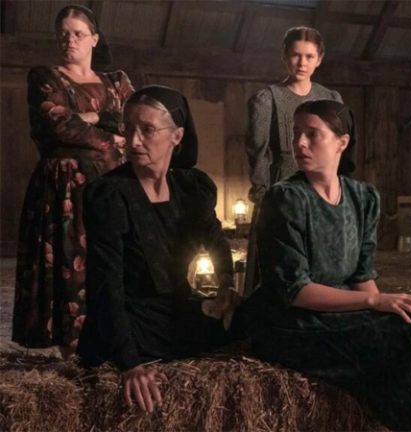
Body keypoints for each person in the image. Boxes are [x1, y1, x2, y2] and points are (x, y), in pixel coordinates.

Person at [239, 100, 411, 432]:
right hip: (291, 320)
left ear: (342, 142)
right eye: (296, 133)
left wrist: (387, 307)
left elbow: (362, 274)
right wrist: (375, 302)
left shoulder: (363, 198)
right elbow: (294, 290)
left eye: (312, 134)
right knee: (409, 333)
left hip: (339, 310)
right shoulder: (285, 198)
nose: (299, 143)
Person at [77, 86, 239, 413]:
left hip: (175, 312)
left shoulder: (192, 187)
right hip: (129, 321)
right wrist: (129, 363)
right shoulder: (110, 195)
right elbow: (106, 284)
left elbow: (215, 240)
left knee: (254, 323)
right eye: (128, 129)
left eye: (147, 130)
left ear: (176, 136)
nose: (133, 141)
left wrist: (226, 286)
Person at [12, 4, 133, 358]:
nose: (70, 40)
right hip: (63, 185)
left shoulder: (117, 81)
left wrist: (89, 116)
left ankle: (115, 337)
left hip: (111, 181)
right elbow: (58, 126)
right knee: (70, 261)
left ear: (94, 38)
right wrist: (108, 131)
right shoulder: (45, 77)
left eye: (78, 33)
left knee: (110, 257)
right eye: (63, 34)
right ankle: (73, 348)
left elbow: (130, 120)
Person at [244, 25, 344, 292]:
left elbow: (338, 148)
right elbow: (257, 151)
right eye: (296, 55)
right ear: (284, 56)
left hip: (322, 188)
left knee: (322, 258)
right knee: (281, 262)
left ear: (319, 59)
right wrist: (264, 195)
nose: (302, 63)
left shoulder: (330, 98)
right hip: (283, 184)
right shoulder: (268, 99)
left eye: (309, 56)